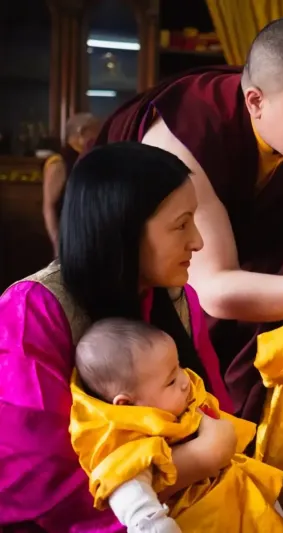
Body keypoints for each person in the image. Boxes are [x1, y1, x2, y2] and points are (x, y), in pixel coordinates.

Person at [91, 17, 283, 530]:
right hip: (163, 293)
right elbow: (211, 290)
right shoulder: (188, 133)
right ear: (255, 102)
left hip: (247, 276)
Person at [0, 142, 241, 531]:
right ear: (122, 229)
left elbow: (214, 409)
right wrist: (199, 459)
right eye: (181, 224)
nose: (197, 241)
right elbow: (36, 487)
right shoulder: (33, 311)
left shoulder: (179, 299)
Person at [72, 319, 283, 532]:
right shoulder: (127, 440)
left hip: (244, 500)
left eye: (179, 367)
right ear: (126, 403)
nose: (185, 379)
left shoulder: (181, 404)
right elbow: (132, 499)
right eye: (171, 381)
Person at [42, 112, 100, 253]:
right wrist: (57, 242)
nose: (99, 136)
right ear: (83, 132)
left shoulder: (89, 157)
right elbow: (49, 206)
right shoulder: (59, 162)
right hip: (68, 237)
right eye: (96, 131)